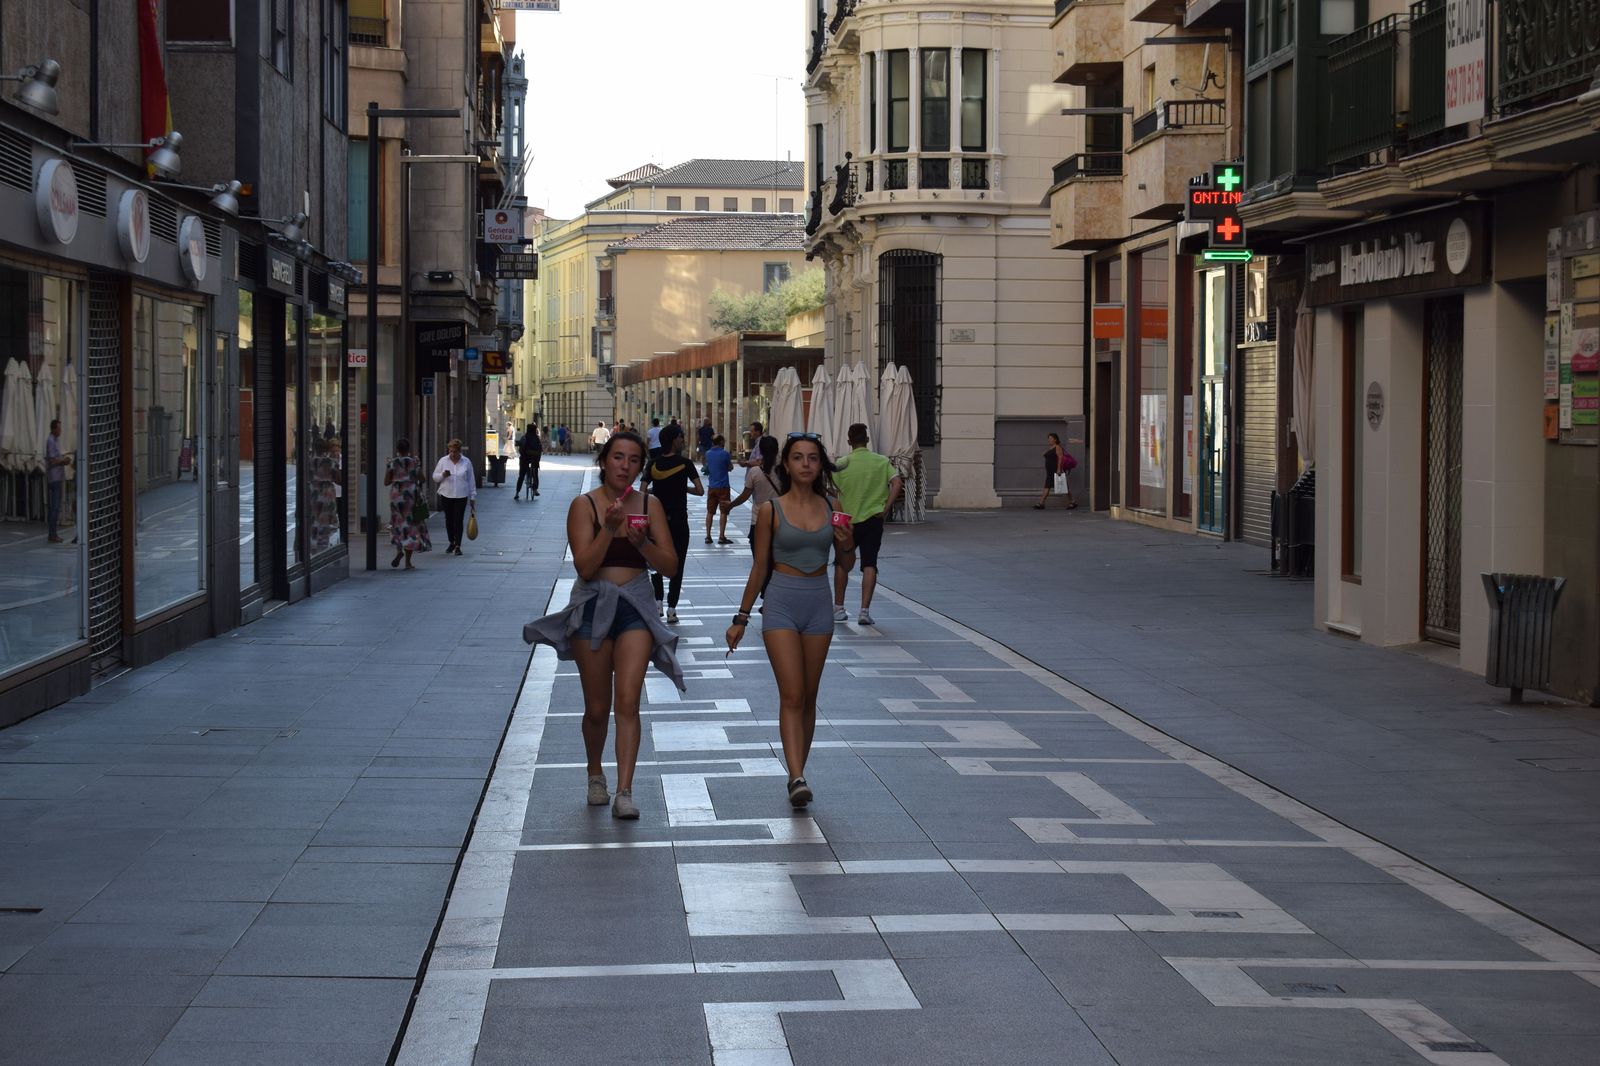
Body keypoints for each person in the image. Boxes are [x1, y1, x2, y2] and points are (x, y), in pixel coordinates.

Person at [523, 431, 682, 820]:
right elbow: (585, 567)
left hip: (636, 607)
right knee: (597, 708)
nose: (625, 466)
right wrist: (610, 529)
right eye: (618, 457)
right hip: (593, 607)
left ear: (640, 466)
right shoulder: (584, 506)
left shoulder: (650, 505)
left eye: (633, 460)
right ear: (604, 461)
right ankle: (595, 773)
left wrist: (642, 543)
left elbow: (669, 566)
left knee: (628, 701)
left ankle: (625, 791)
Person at [725, 433, 853, 808]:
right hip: (780, 602)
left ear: (820, 464)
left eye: (812, 458)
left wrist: (846, 541)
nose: (806, 464)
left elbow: (846, 563)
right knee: (792, 693)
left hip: (818, 604)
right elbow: (759, 568)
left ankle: (799, 769)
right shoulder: (771, 510)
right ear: (786, 464)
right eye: (798, 457)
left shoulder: (833, 506)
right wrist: (741, 617)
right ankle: (796, 776)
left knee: (809, 696)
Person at [831, 424, 902, 626]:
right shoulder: (881, 461)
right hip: (873, 518)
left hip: (845, 520)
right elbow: (897, 482)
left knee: (841, 563)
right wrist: (886, 508)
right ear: (867, 440)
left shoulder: (841, 464)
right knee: (870, 564)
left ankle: (838, 608)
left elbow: (830, 487)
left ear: (849, 441)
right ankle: (864, 611)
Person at [642, 429, 703, 624]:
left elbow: (642, 491)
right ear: (674, 440)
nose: (683, 440)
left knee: (655, 562)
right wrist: (682, 488)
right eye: (680, 437)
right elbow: (700, 491)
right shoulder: (685, 463)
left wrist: (658, 490)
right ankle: (672, 609)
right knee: (678, 562)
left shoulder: (652, 464)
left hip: (656, 522)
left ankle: (658, 603)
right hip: (679, 520)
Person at [722, 434, 780, 560]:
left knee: (759, 562)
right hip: (780, 523)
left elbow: (744, 496)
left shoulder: (755, 472)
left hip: (758, 522)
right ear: (777, 450)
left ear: (761, 451)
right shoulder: (783, 472)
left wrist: (731, 505)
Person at [384, 438, 431, 569]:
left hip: (396, 497)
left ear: (397, 450)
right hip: (410, 496)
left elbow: (386, 482)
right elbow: (422, 479)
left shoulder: (392, 463)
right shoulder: (414, 462)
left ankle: (399, 551)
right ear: (408, 449)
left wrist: (394, 474)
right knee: (410, 526)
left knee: (397, 524)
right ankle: (408, 562)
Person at [432, 439, 478, 556]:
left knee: (458, 520)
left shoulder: (466, 462)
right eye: (450, 451)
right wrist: (443, 475)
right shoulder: (443, 461)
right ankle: (451, 542)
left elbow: (471, 480)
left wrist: (472, 497)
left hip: (461, 495)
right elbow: (435, 477)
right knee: (449, 520)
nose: (452, 454)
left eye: (455, 451)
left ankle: (458, 545)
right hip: (446, 494)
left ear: (459, 451)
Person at [702, 435, 734, 544]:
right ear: (720, 442)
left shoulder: (707, 453)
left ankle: (708, 536)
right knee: (723, 512)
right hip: (723, 486)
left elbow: (706, 466)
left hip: (712, 486)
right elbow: (730, 467)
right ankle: (721, 536)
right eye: (723, 441)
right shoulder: (725, 454)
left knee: (710, 512)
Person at [1035, 431, 1077, 510]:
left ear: (1055, 439)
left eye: (1051, 438)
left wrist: (1058, 469)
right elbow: (1046, 455)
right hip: (1050, 471)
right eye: (1048, 438)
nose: (1049, 440)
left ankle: (1073, 501)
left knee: (1064, 487)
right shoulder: (1051, 448)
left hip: (1055, 470)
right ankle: (1041, 503)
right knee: (1048, 486)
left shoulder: (1057, 447)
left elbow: (1060, 458)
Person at [44, 419, 71, 544]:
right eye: (59, 428)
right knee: (54, 507)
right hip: (54, 478)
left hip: (57, 477)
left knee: (55, 507)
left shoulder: (55, 441)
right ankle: (52, 534)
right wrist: (63, 461)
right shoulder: (50, 441)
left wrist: (62, 460)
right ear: (53, 429)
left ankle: (53, 534)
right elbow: (52, 461)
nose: (60, 430)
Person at [515, 422, 543, 500]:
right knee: (535, 474)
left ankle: (517, 493)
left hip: (525, 459)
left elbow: (520, 448)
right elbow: (540, 449)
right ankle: (535, 489)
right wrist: (538, 460)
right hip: (534, 458)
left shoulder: (524, 437)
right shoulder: (537, 438)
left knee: (521, 475)